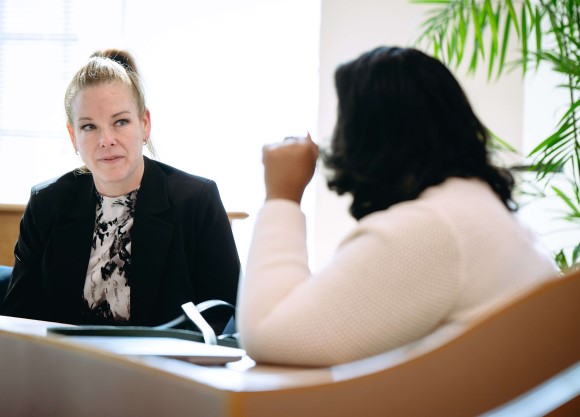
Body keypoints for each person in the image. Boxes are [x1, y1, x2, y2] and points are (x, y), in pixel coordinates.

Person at [236, 46, 558, 366]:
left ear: (369, 135)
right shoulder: (476, 210)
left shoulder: (435, 228)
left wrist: (281, 195)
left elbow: (268, 334)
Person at [1, 49, 240, 332]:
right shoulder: (46, 203)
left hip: (163, 369)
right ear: (72, 136)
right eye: (89, 126)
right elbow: (19, 316)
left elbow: (226, 313)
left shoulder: (197, 201)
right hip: (66, 368)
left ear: (145, 124)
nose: (106, 140)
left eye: (120, 121)